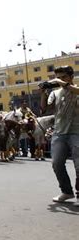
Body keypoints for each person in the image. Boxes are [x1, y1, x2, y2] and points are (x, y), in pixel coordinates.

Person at [40, 65, 79, 206]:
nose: (60, 80)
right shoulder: (55, 93)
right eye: (58, 78)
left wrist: (65, 84)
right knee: (56, 163)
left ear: (71, 77)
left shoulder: (76, 89)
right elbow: (45, 108)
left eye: (64, 77)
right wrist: (43, 92)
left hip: (76, 131)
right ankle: (67, 191)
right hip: (59, 132)